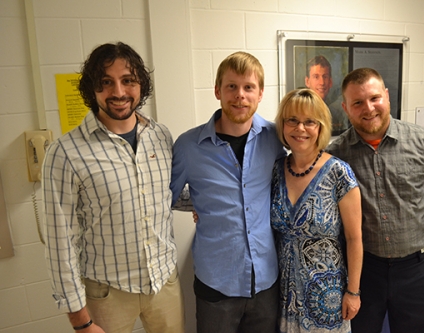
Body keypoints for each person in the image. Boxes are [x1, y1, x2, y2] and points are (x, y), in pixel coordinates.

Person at [42, 42, 184, 333]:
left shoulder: (160, 136)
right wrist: (80, 321)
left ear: (141, 85)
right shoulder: (66, 152)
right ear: (91, 90)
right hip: (107, 292)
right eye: (106, 83)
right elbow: (60, 242)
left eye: (128, 81)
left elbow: (171, 194)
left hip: (164, 282)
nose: (118, 92)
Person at [327, 67, 424, 333]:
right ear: (345, 107)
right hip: (363, 273)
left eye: (374, 98)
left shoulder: (422, 142)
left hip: (418, 270)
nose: (369, 108)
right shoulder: (336, 154)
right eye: (357, 102)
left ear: (387, 96)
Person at [170, 51, 286, 333]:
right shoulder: (188, 145)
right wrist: (201, 202)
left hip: (266, 282)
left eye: (248, 87)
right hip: (216, 284)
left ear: (260, 94)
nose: (240, 96)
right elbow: (167, 196)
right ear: (217, 91)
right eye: (231, 86)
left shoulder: (276, 137)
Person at [271, 88, 363, 332]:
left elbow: (355, 238)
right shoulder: (276, 170)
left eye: (309, 122)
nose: (300, 129)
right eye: (292, 120)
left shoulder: (339, 173)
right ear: (282, 125)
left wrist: (353, 292)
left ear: (320, 127)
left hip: (325, 296)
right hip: (282, 294)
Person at [304, 55, 350, 135]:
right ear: (307, 81)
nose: (322, 83)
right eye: (316, 77)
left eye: (325, 77)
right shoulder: (301, 110)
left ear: (330, 82)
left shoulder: (337, 112)